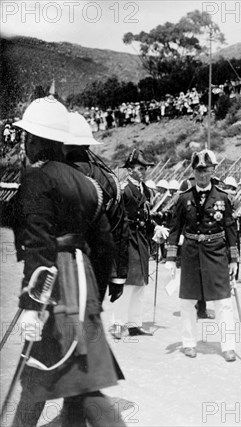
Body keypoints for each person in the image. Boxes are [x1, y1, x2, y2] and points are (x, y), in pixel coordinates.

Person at [11, 96, 125, 426]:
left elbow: (39, 245)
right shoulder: (90, 185)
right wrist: (95, 298)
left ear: (33, 141)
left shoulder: (37, 178)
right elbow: (104, 247)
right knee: (79, 382)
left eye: (27, 138)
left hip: (55, 285)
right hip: (84, 283)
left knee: (39, 381)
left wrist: (33, 303)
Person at [165, 150, 239, 361]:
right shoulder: (184, 198)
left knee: (223, 301)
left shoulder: (223, 198)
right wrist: (171, 258)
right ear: (193, 172)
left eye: (206, 170)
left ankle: (228, 346)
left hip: (216, 252)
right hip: (191, 253)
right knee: (188, 300)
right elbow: (174, 228)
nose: (202, 175)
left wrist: (234, 259)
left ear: (213, 171)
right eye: (198, 171)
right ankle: (189, 343)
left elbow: (231, 229)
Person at [62, 112, 129, 306]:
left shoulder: (53, 175)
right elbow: (120, 231)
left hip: (60, 267)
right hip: (96, 272)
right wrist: (117, 277)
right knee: (88, 325)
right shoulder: (110, 180)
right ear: (88, 144)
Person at [111, 149, 155, 339]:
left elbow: (146, 216)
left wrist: (156, 228)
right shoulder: (122, 189)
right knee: (127, 283)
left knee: (140, 283)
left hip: (141, 239)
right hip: (127, 238)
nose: (143, 171)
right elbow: (115, 217)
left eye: (145, 168)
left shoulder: (145, 190)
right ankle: (117, 324)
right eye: (139, 168)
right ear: (129, 170)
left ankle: (134, 323)